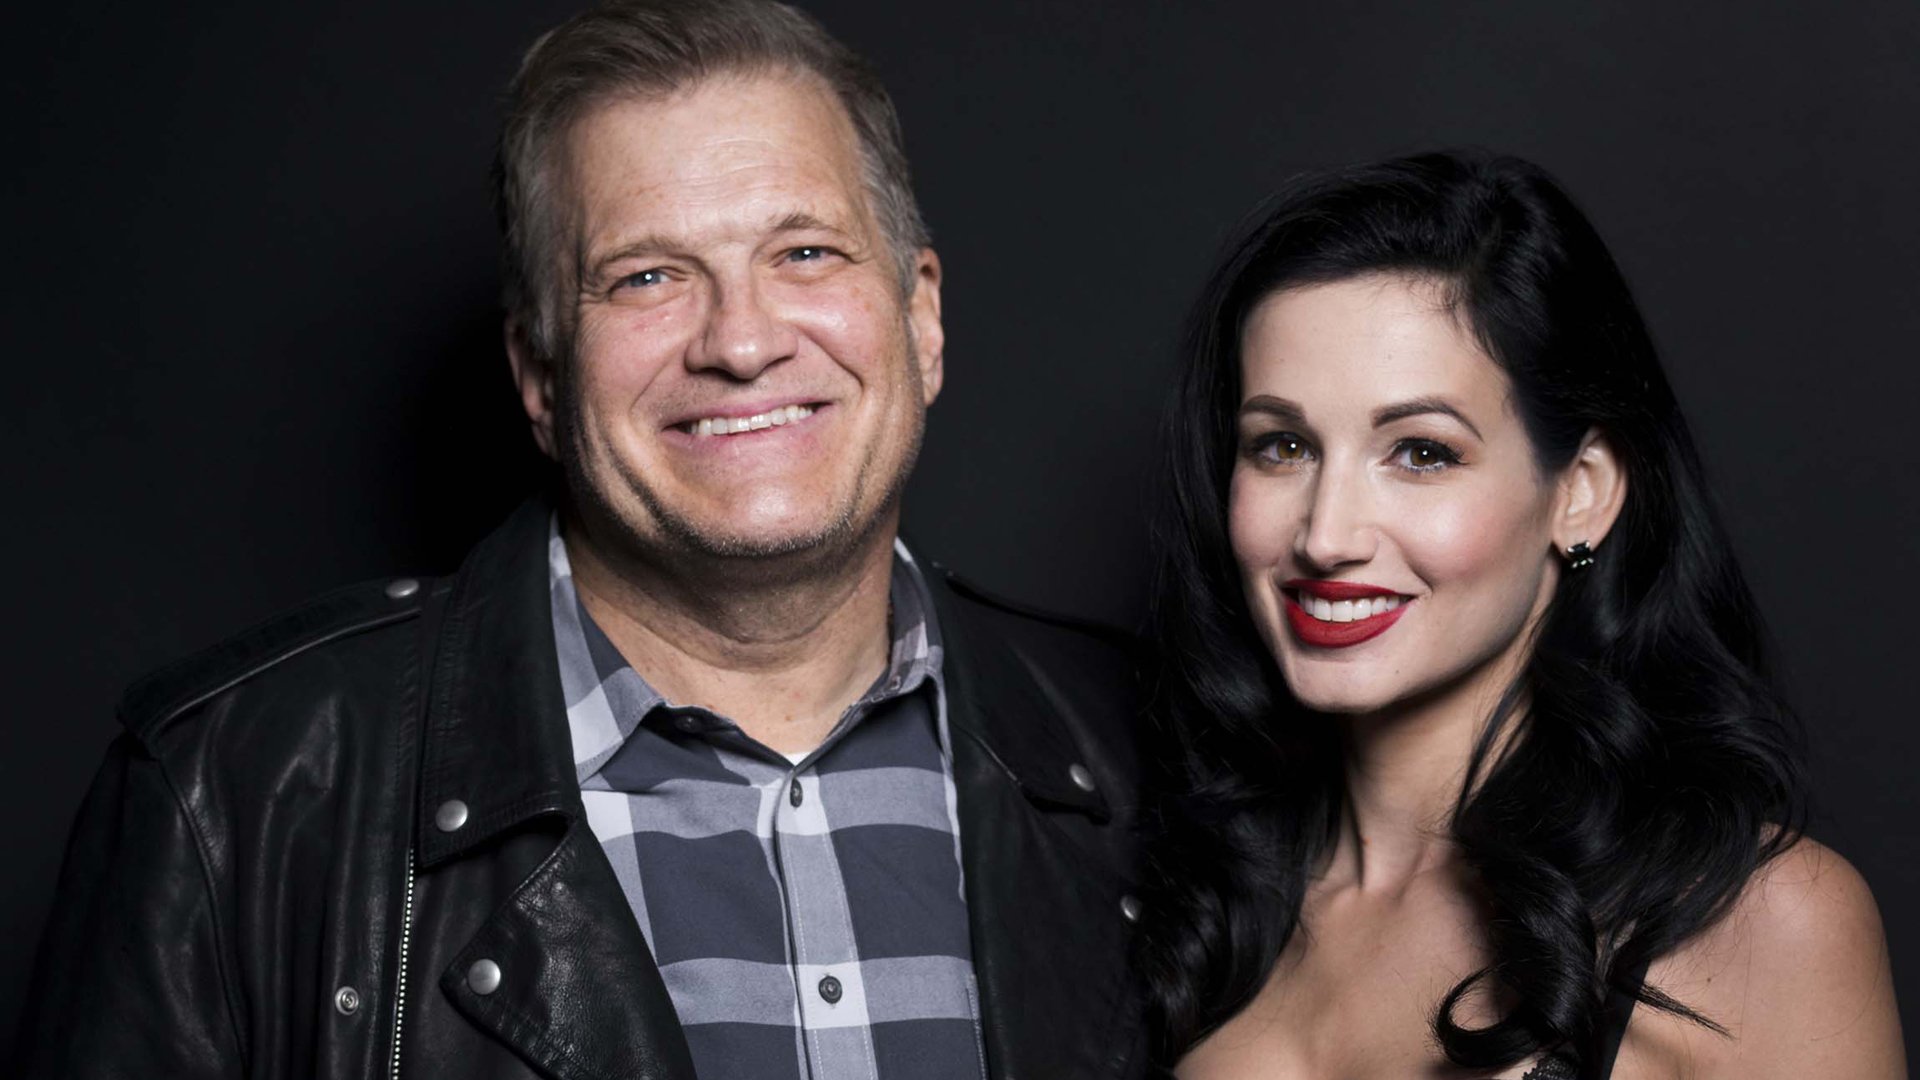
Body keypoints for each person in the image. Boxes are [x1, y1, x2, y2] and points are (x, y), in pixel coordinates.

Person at [18, 3, 1147, 1078]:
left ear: (922, 318)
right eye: (647, 276)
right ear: (541, 380)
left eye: (804, 252)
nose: (742, 343)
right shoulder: (237, 793)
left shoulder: (1159, 752)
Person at [1140, 151, 1905, 1079]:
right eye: (1284, 445)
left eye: (1421, 452)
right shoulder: (1175, 908)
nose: (1326, 534)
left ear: (1580, 493)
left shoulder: (1759, 919)